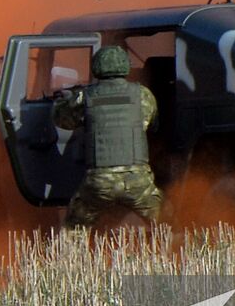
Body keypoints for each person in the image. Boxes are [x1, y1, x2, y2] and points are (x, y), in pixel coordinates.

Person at [52, 46, 162, 229]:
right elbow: (153, 125)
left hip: (99, 183)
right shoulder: (143, 94)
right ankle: (168, 245)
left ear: (97, 67)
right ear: (125, 65)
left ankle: (74, 247)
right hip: (137, 181)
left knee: (75, 226)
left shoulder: (85, 96)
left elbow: (62, 121)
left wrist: (63, 99)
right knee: (166, 222)